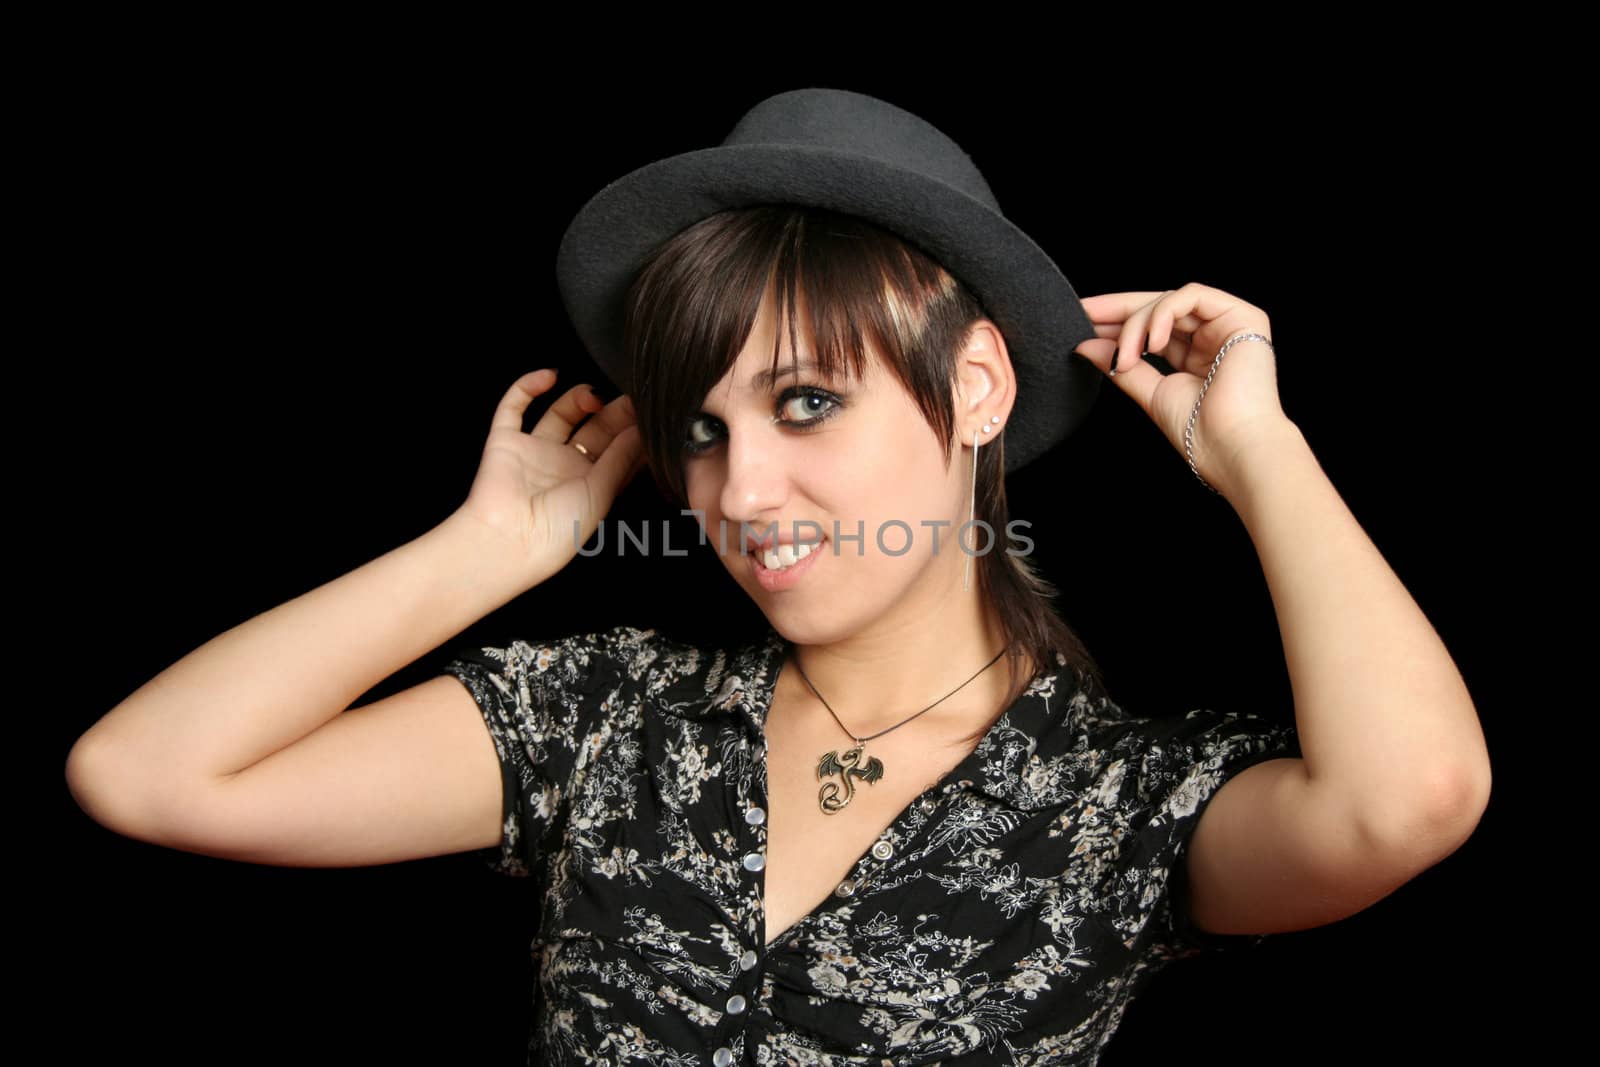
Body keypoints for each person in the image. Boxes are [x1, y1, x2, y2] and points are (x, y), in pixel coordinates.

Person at [65, 87, 1492, 1065]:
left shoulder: (1113, 808)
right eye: (700, 429)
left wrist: (1259, 453)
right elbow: (151, 776)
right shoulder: (610, 718)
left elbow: (1407, 799)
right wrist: (488, 551)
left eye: (808, 403)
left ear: (977, 386)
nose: (739, 493)